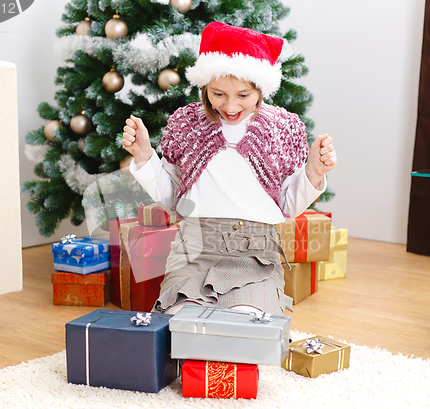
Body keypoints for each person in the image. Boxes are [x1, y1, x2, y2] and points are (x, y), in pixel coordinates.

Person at [121, 21, 336, 316]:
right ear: (205, 87)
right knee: (181, 326)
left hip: (255, 254)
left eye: (243, 95)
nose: (230, 106)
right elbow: (172, 198)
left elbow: (286, 206)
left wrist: (313, 173)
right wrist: (145, 155)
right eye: (218, 94)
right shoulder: (186, 124)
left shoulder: (284, 127)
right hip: (194, 249)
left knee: (246, 325)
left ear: (260, 89)